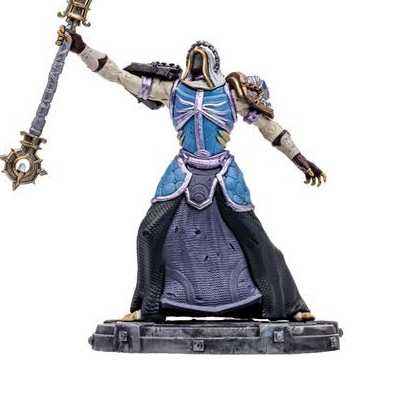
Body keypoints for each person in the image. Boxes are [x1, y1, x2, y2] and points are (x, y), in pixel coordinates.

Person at [61, 29, 326, 322]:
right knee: (149, 231)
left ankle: (288, 305)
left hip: (223, 173)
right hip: (183, 170)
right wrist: (81, 48)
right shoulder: (173, 91)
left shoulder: (231, 95)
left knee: (255, 238)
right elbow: (117, 75)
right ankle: (148, 306)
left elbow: (269, 128)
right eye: (194, 59)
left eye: (202, 59)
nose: (197, 65)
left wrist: (301, 160)